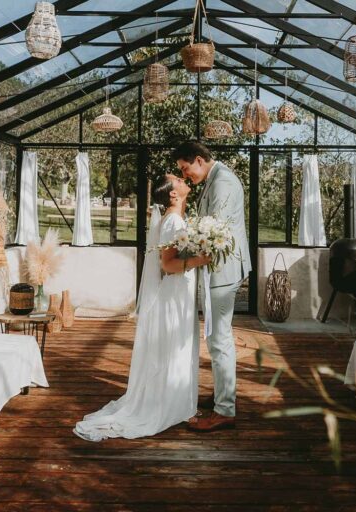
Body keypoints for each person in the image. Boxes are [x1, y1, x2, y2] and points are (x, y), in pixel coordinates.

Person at [74, 174, 210, 441]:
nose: (184, 180)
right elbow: (168, 265)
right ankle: (172, 405)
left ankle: (178, 403)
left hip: (179, 292)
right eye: (178, 180)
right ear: (173, 194)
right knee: (175, 347)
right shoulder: (172, 221)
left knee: (177, 347)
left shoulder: (174, 218)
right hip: (175, 293)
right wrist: (201, 259)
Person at [173, 141, 252, 432]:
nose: (185, 175)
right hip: (218, 268)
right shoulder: (214, 178)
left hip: (224, 269)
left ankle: (225, 411)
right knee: (218, 338)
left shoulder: (223, 182)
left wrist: (180, 253)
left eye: (185, 169)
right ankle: (223, 395)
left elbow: (213, 229)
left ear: (197, 160)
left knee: (219, 339)